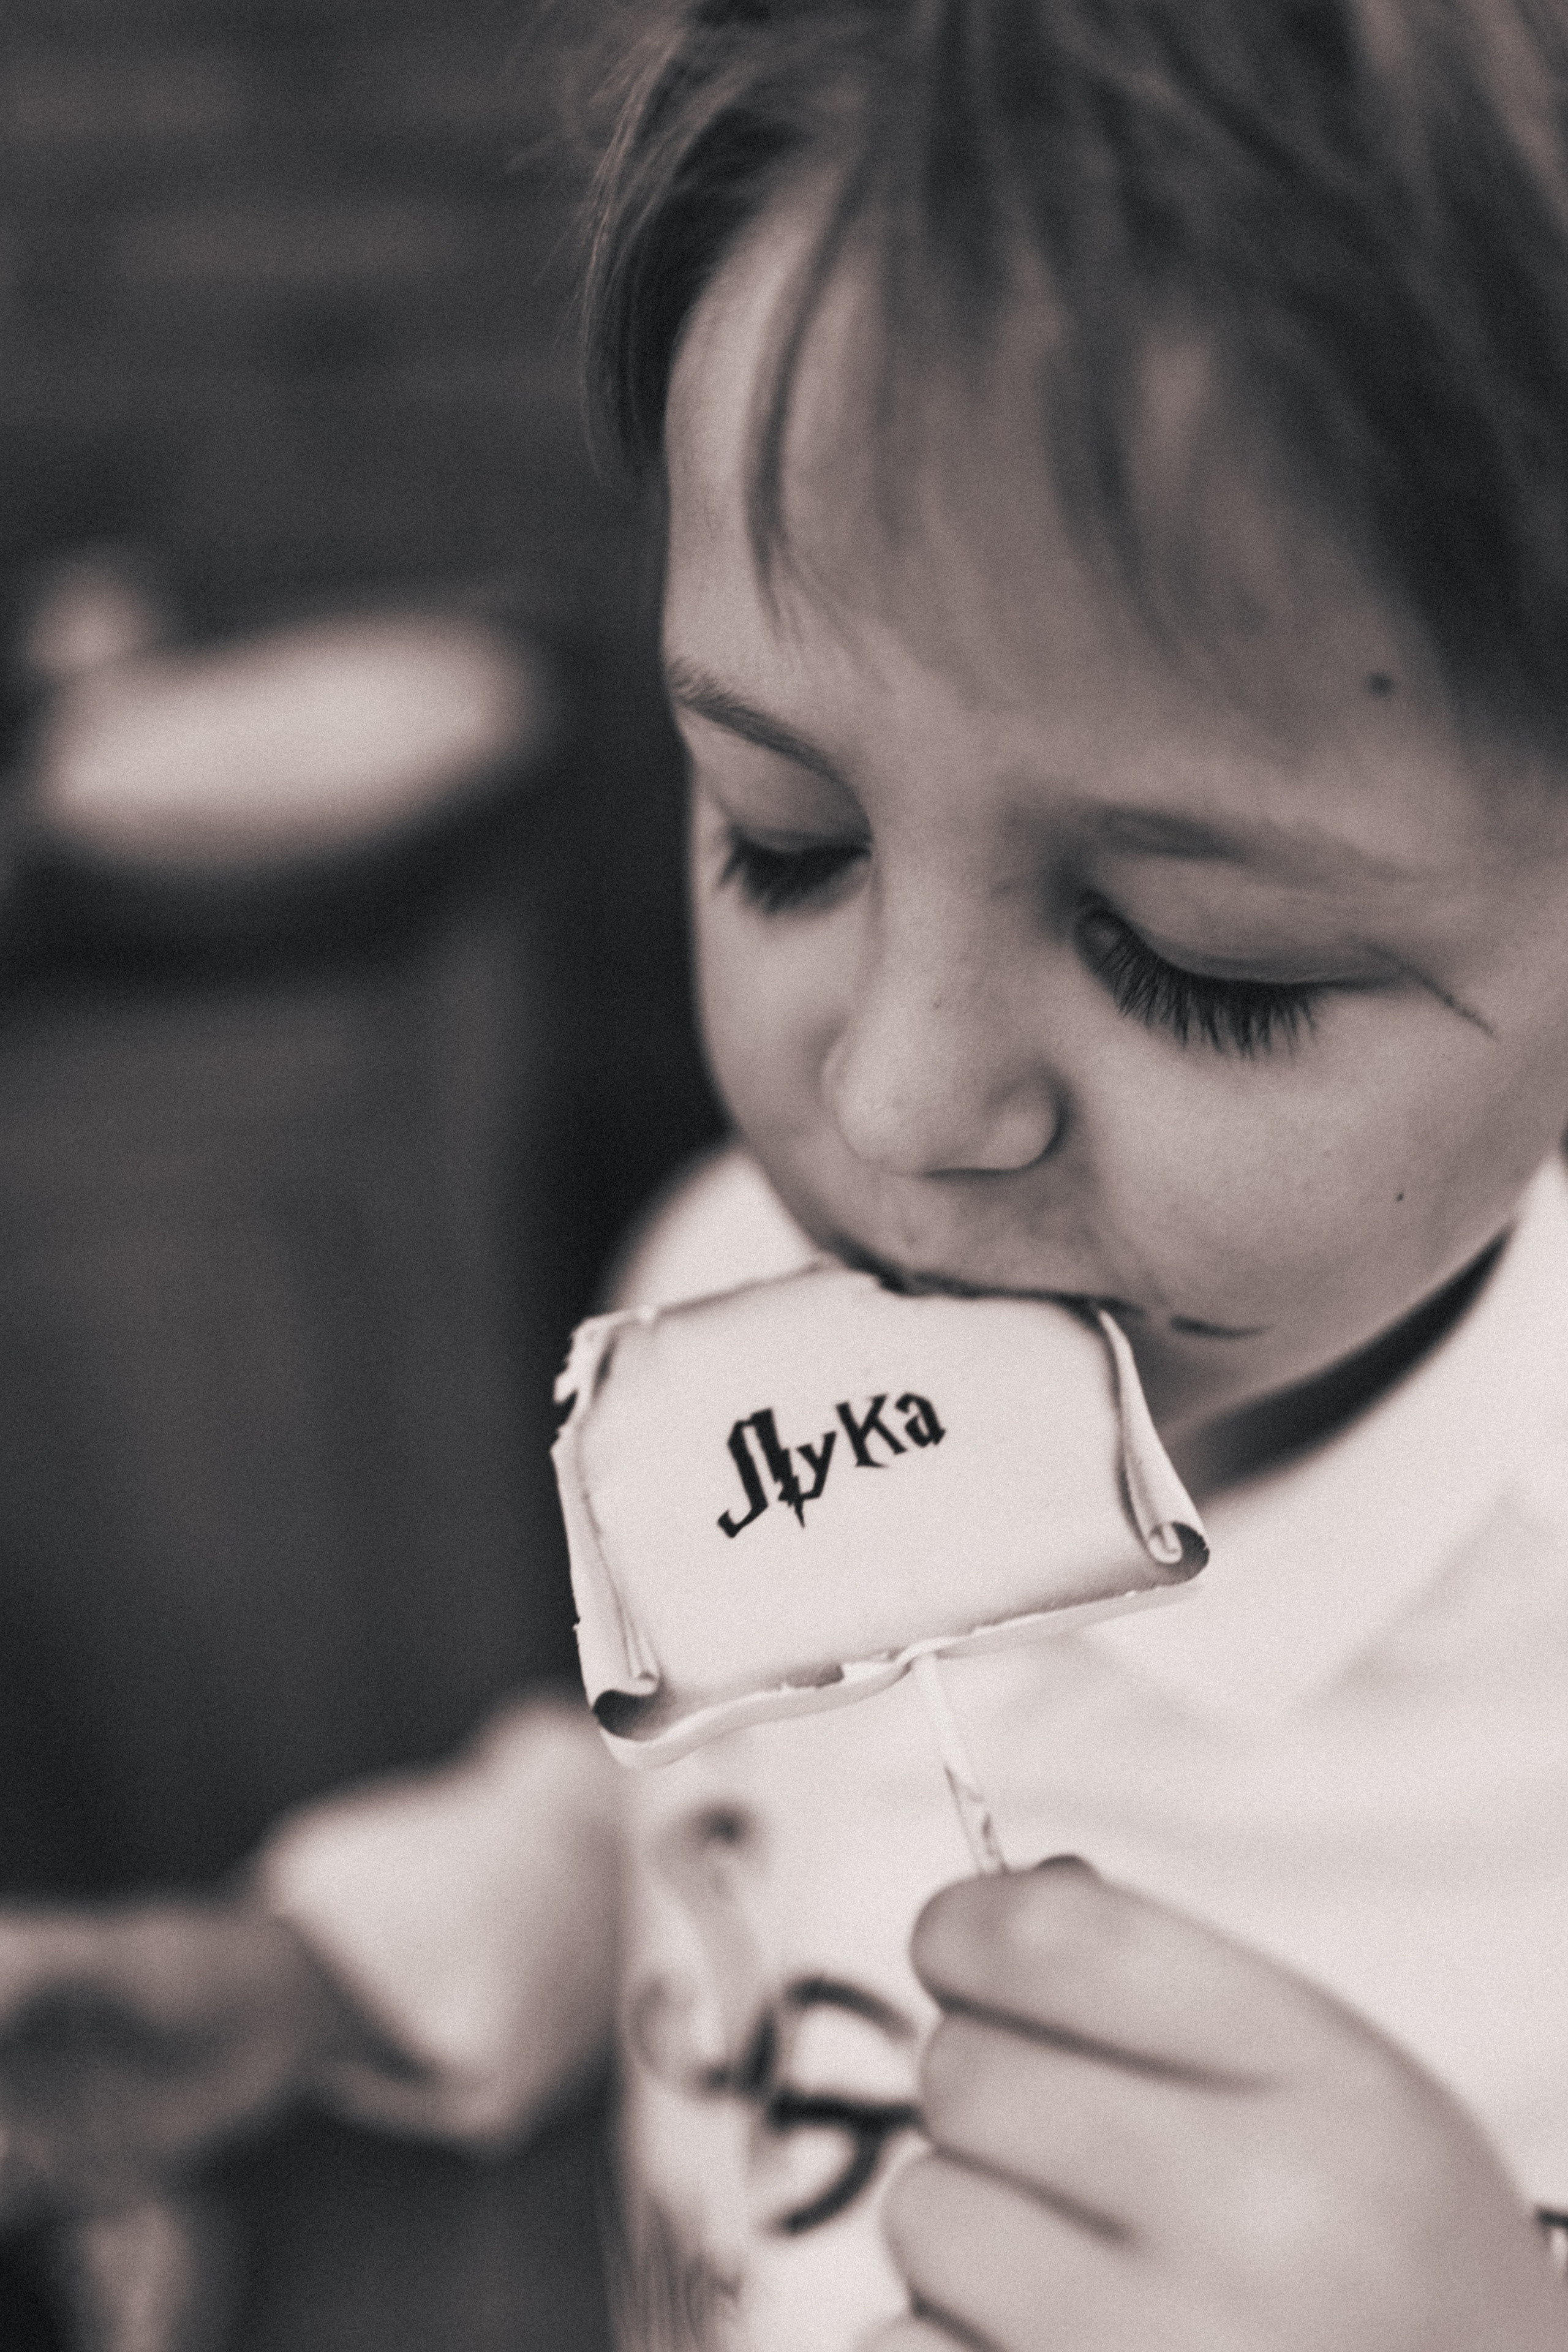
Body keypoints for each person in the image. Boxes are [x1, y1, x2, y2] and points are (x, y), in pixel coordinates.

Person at [15, 3, 1568, 2345]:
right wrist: (344, 1968)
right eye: (787, 841)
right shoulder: (741, 1287)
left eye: (1200, 963)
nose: (896, 1102)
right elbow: (729, 1805)